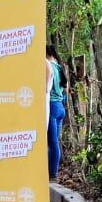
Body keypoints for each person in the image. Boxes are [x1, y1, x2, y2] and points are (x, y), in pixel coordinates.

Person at [46, 43, 67, 180]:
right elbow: (65, 89)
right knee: (54, 142)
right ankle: (51, 172)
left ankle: (52, 174)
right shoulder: (60, 67)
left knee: (52, 142)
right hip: (60, 106)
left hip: (52, 106)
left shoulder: (48, 66)